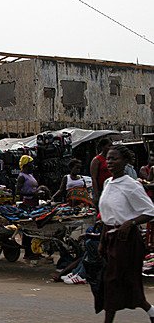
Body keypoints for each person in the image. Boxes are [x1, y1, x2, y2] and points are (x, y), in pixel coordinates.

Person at [98, 145, 154, 323]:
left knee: (113, 281)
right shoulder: (108, 183)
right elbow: (107, 217)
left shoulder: (131, 185)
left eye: (114, 158)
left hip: (126, 241)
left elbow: (150, 210)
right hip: (110, 237)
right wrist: (102, 241)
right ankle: (150, 310)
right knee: (125, 282)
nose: (110, 162)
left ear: (125, 162)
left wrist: (130, 222)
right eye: (108, 158)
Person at [15, 155, 40, 260]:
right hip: (27, 204)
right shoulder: (22, 176)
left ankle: (34, 250)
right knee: (28, 229)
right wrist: (33, 193)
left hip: (34, 203)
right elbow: (18, 192)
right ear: (25, 165)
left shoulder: (30, 175)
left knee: (35, 229)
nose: (33, 166)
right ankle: (28, 252)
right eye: (31, 164)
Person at [90, 138, 112, 206]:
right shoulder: (96, 160)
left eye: (111, 145)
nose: (111, 148)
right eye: (109, 145)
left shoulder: (110, 159)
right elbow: (94, 178)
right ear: (102, 147)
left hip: (111, 188)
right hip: (101, 189)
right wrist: (96, 194)